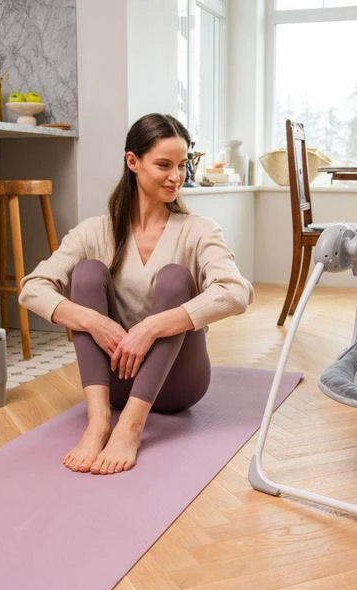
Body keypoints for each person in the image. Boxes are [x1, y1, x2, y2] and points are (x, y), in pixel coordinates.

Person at [19, 113, 253, 475]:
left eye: (182, 165)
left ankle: (130, 426)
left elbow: (236, 292)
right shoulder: (94, 231)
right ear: (133, 161)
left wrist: (152, 327)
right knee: (87, 273)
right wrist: (93, 321)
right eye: (164, 165)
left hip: (178, 384)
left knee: (175, 279)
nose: (176, 176)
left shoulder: (198, 230)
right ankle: (99, 422)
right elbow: (32, 289)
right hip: (116, 383)